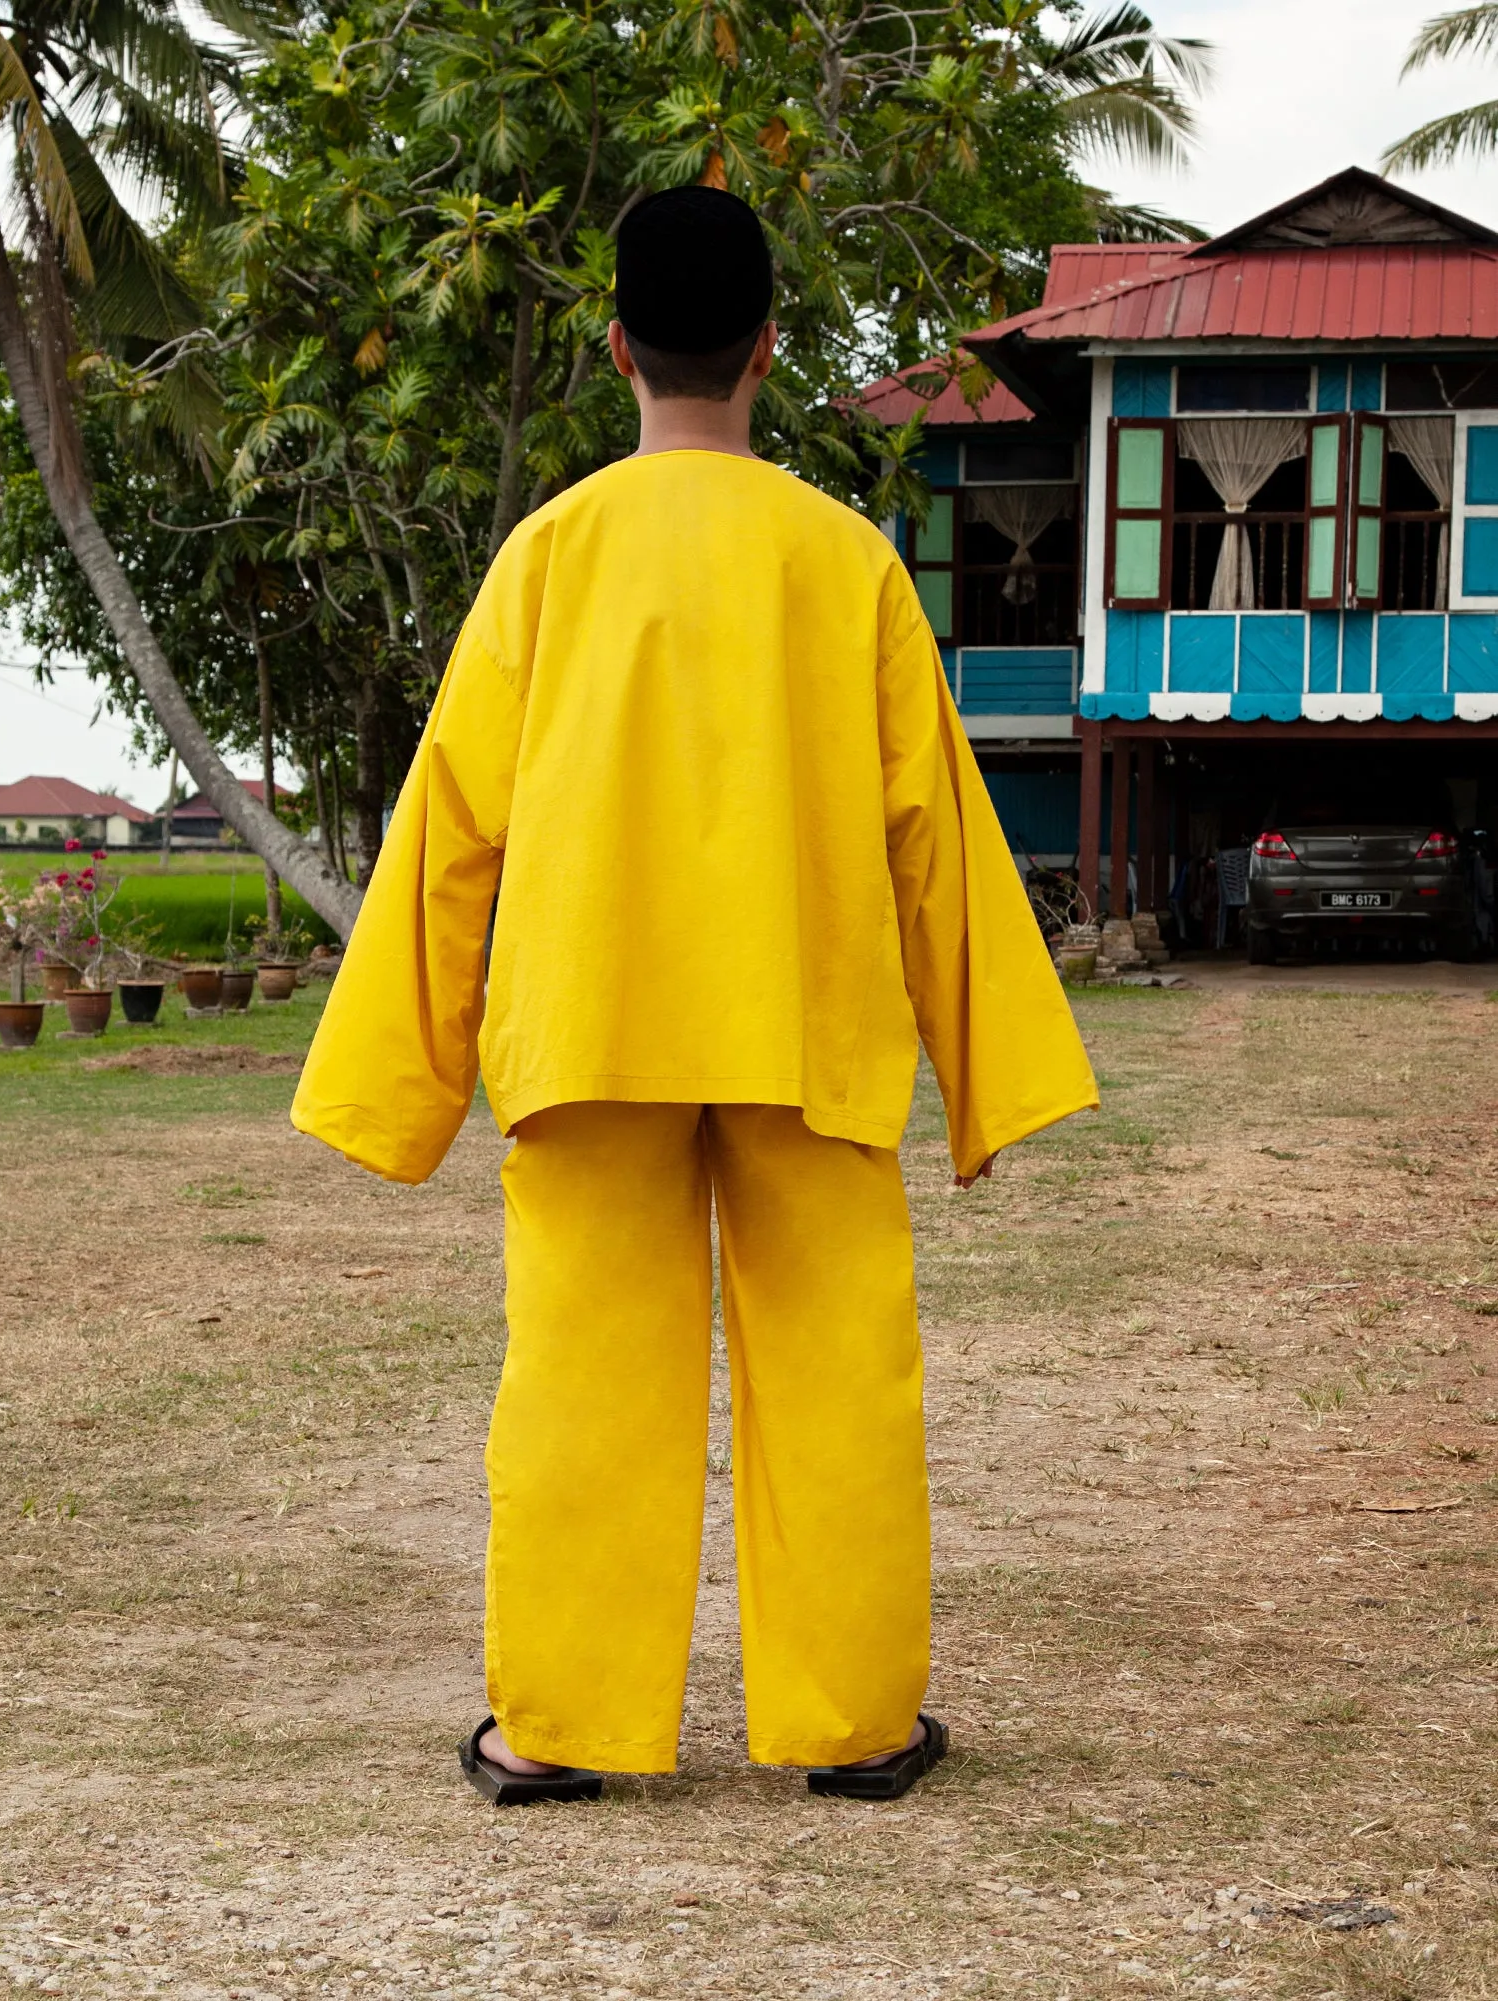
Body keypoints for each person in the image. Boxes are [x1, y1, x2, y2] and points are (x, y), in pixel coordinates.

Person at [292, 186, 1097, 1806]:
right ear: (769, 351)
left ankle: (559, 1733)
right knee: (839, 1377)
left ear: (613, 349)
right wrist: (991, 1074)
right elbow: (934, 825)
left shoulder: (547, 558)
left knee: (581, 1380)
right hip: (805, 1029)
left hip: (591, 1026)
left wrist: (399, 1082)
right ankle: (855, 1724)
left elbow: (451, 824)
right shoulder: (846, 558)